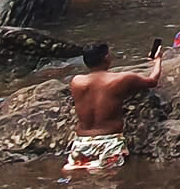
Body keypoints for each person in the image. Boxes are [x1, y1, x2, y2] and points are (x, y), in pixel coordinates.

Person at [64, 42, 162, 170]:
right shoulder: (121, 79)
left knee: (76, 173)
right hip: (110, 140)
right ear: (106, 58)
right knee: (107, 176)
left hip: (81, 141)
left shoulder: (76, 81)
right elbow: (152, 81)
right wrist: (158, 60)